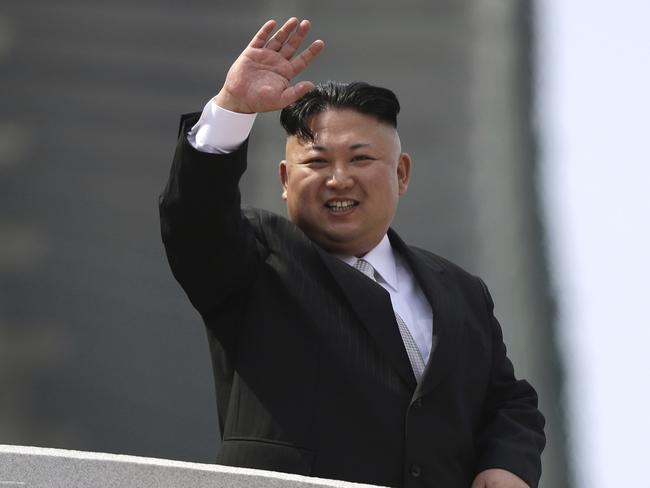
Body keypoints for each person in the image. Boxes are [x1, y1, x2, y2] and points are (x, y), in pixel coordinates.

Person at [159, 17, 545, 488]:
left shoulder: (462, 292)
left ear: (401, 173)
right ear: (285, 180)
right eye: (317, 161)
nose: (339, 179)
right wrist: (231, 111)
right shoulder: (258, 257)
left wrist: (505, 465)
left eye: (361, 159)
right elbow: (194, 221)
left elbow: (508, 400)